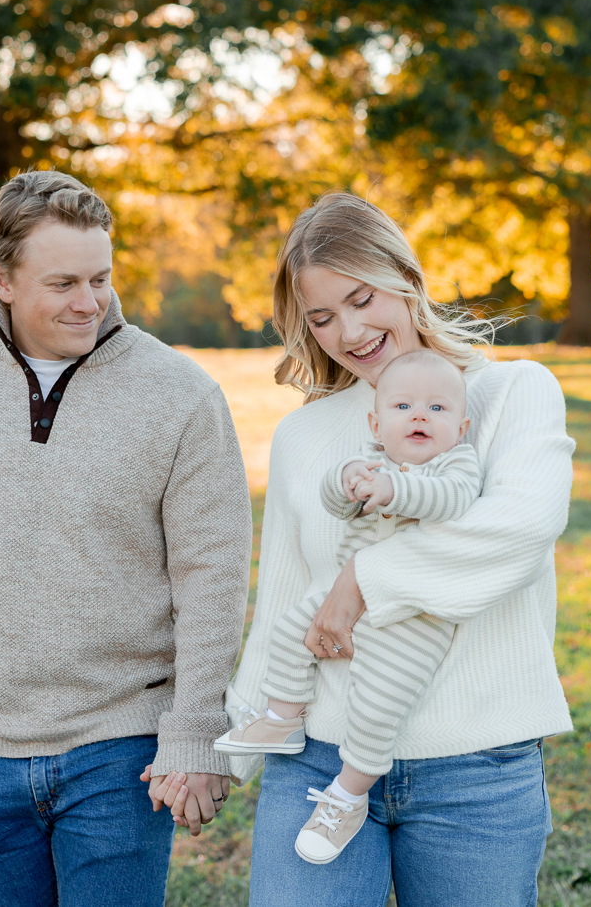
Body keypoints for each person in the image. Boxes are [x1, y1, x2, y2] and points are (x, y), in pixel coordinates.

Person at [0, 170, 250, 907]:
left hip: (123, 746)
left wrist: (194, 730)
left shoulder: (182, 395)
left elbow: (212, 574)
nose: (89, 302)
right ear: (1, 278)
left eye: (100, 278)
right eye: (63, 282)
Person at [229, 192, 576, 906]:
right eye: (321, 317)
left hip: (477, 767)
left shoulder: (513, 392)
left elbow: (518, 529)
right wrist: (221, 752)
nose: (349, 331)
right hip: (315, 760)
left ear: (406, 278)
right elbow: (281, 606)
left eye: (361, 299)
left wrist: (363, 580)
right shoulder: (305, 436)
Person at [214, 349, 483, 865]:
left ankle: (350, 792)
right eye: (403, 406)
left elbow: (451, 501)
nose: (420, 416)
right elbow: (338, 505)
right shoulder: (372, 460)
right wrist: (343, 481)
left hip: (415, 617)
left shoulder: (456, 464)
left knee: (379, 701)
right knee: (292, 629)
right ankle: (284, 715)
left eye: (438, 409)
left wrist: (393, 487)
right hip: (342, 594)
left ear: (462, 425)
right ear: (376, 423)